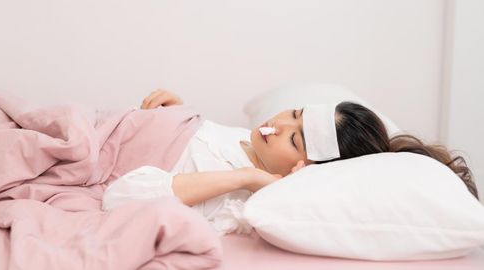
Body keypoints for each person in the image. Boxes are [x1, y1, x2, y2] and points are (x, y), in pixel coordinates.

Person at [102, 88, 480, 235]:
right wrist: (177, 114)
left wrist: (245, 177)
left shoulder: (241, 199)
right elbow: (201, 141)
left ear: (304, 169)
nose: (276, 124)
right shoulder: (244, 141)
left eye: (294, 137)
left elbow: (119, 200)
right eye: (295, 112)